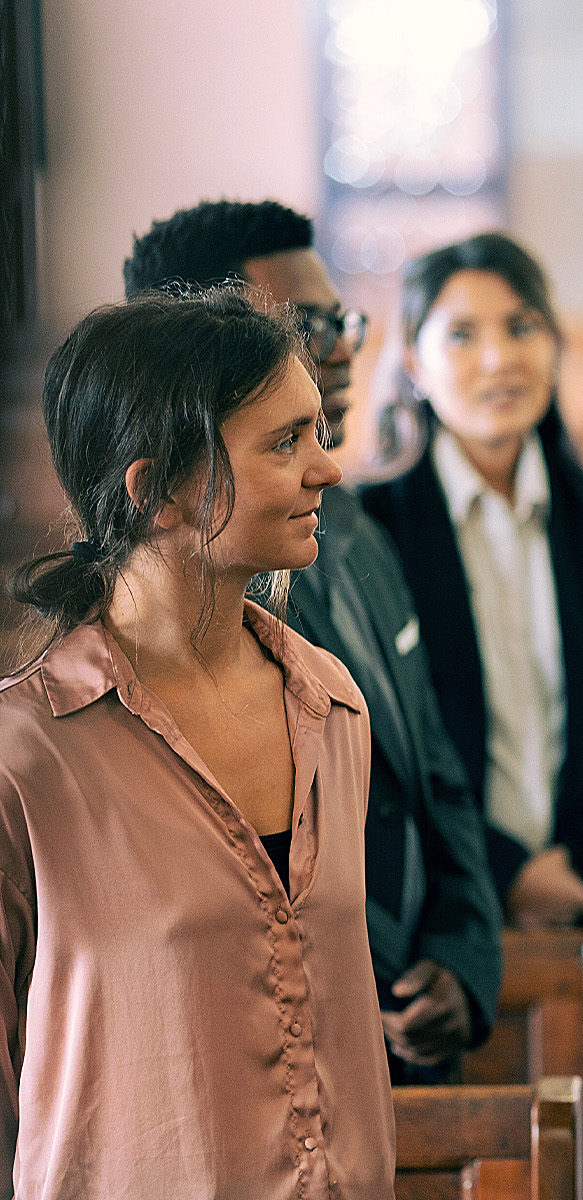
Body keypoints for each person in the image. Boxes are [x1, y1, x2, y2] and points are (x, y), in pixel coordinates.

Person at [0, 291, 392, 1197]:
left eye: (319, 432)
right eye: (285, 442)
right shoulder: (27, 757)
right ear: (157, 491)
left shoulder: (332, 705)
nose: (327, 468)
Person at [123, 199, 505, 1085]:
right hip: (271, 1054)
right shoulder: (184, 599)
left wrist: (460, 959)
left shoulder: (361, 531)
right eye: (306, 323)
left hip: (406, 1044)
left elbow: (435, 774)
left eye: (343, 320)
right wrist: (345, 979)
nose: (339, 346)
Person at [358, 231, 583, 931]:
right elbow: (373, 746)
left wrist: (580, 868)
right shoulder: (365, 534)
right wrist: (506, 871)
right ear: (414, 360)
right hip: (432, 913)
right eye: (463, 335)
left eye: (520, 327)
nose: (500, 358)